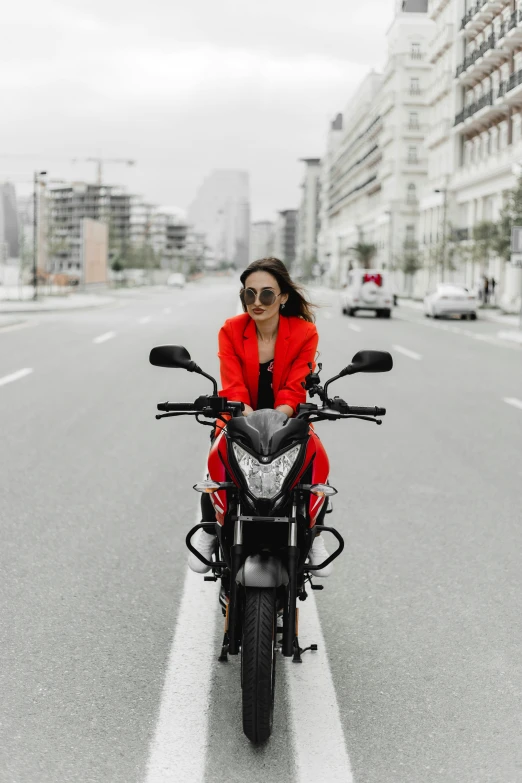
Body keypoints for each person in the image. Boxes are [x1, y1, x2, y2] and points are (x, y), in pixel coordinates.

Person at [188, 257, 334, 576]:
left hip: (287, 416)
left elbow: (296, 385)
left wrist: (278, 418)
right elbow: (232, 383)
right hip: (240, 415)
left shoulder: (305, 332)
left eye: (266, 294)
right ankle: (210, 529)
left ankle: (316, 530)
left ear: (282, 297)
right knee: (218, 454)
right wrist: (246, 418)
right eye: (249, 294)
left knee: (316, 456)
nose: (257, 302)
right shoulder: (230, 330)